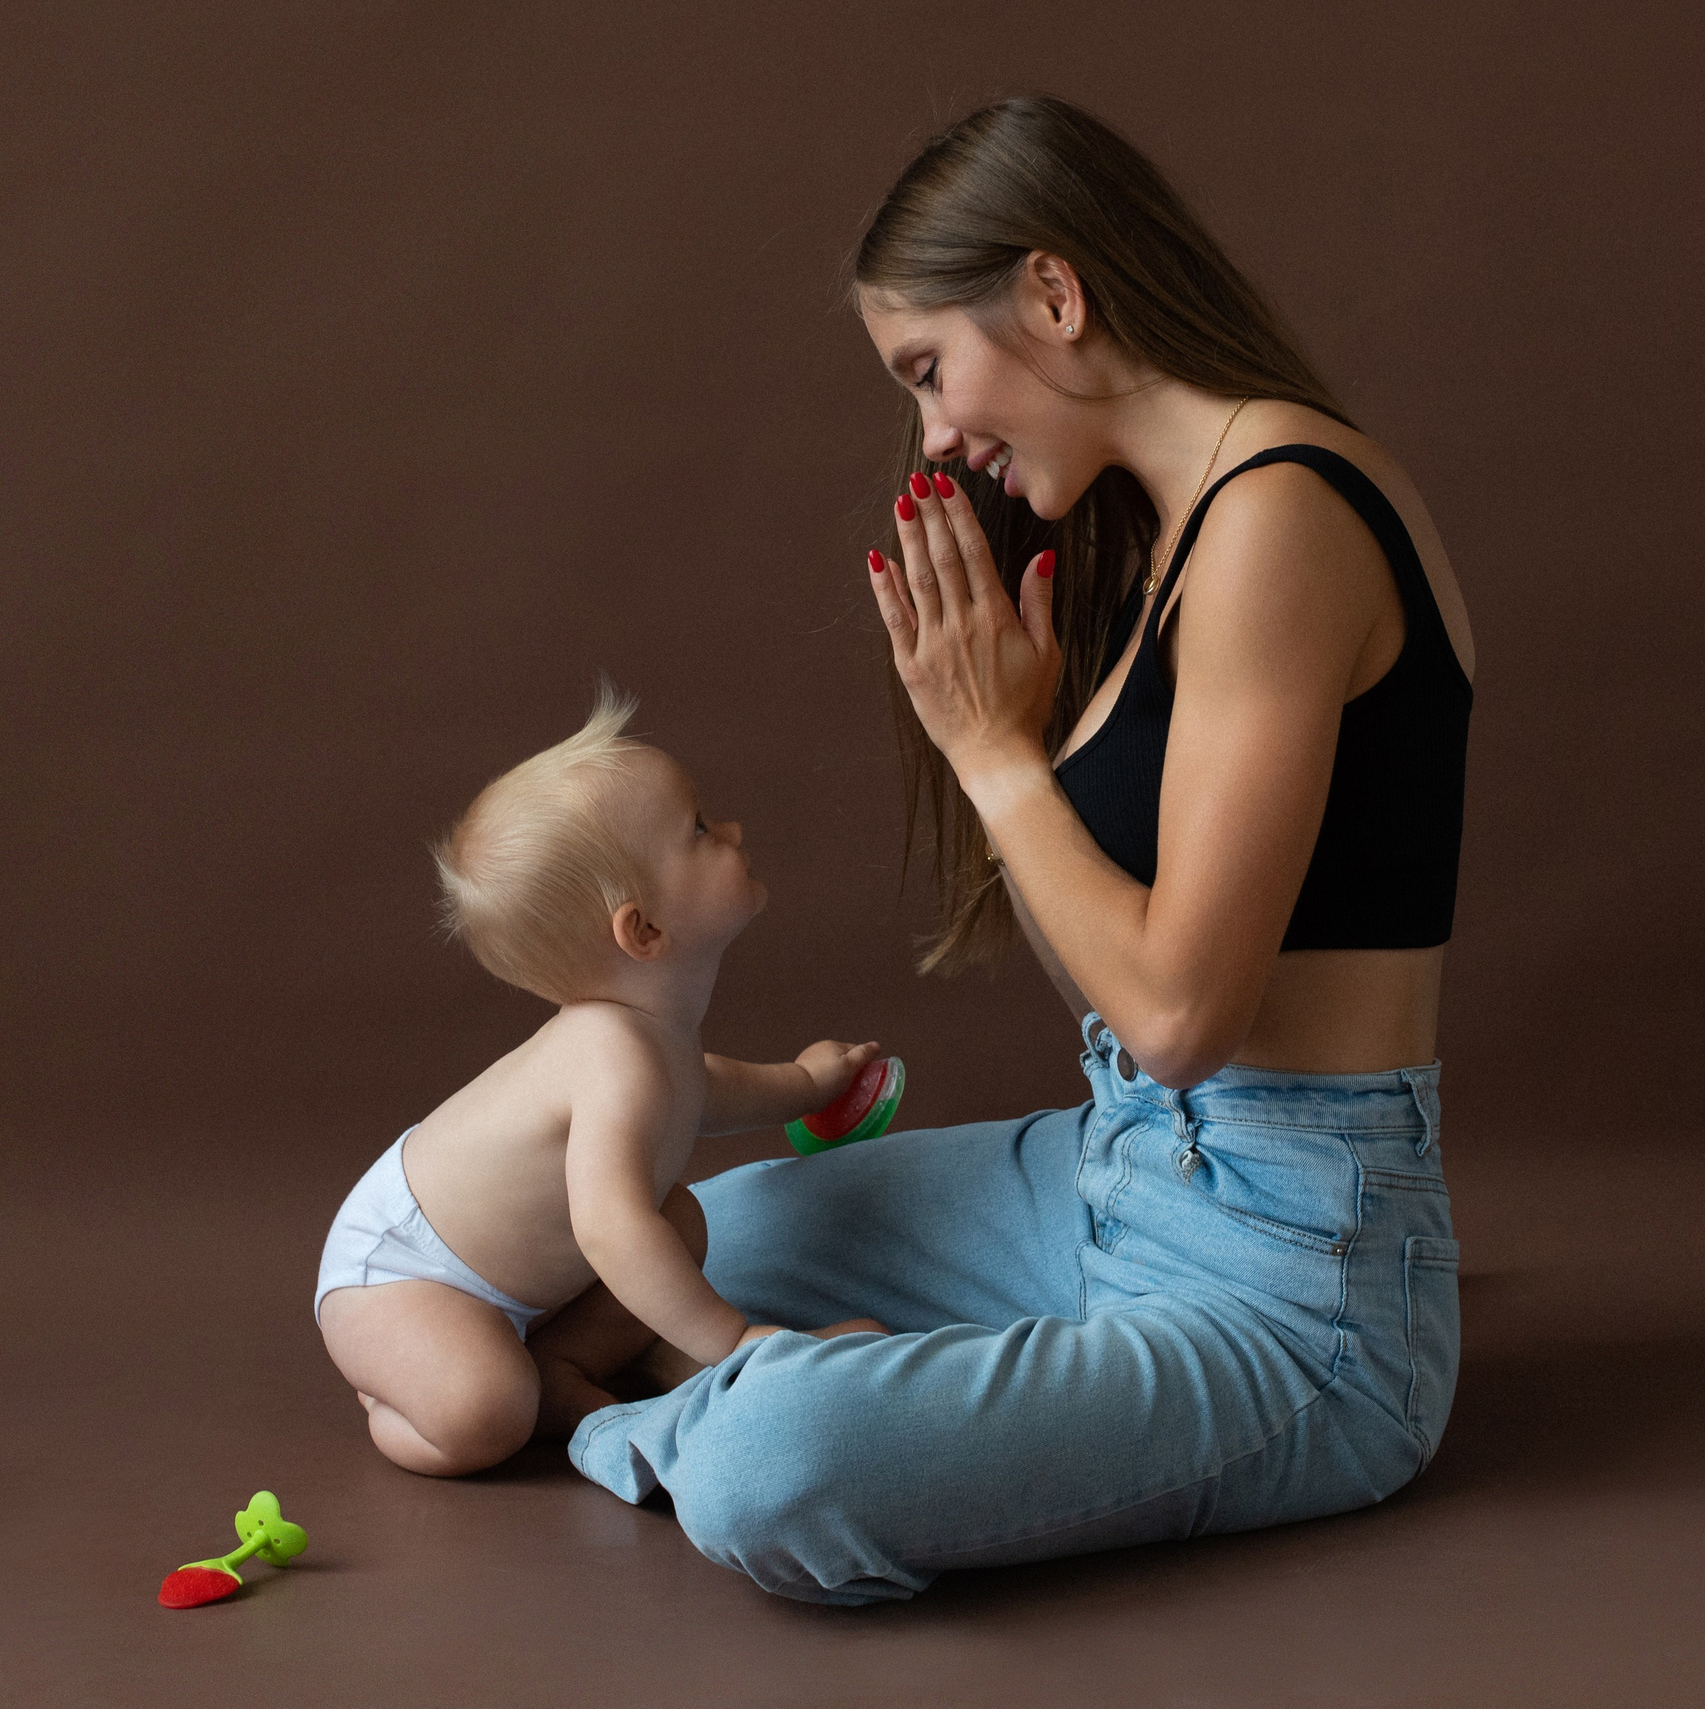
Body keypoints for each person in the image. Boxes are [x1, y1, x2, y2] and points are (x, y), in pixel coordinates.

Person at [562, 94, 1476, 1604]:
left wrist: (995, 762)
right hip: (1118, 1174)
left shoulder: (1284, 517)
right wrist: (1026, 750)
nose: (934, 435)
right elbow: (1116, 1013)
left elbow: (1183, 1022)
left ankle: (701, 1420)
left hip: (1296, 1286)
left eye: (931, 369)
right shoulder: (1179, 532)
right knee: (686, 1228)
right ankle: (893, 1384)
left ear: (1053, 294)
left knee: (771, 1458)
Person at [316, 686, 885, 1476]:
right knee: (485, 1411)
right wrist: (731, 1339)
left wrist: (802, 1083)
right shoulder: (612, 1053)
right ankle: (398, 1400)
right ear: (643, 929)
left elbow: (701, 1091)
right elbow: (609, 1229)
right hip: (403, 1273)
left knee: (677, 1220)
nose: (733, 831)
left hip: (512, 1284)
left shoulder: (648, 1041)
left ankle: (559, 1370)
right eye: (699, 830)